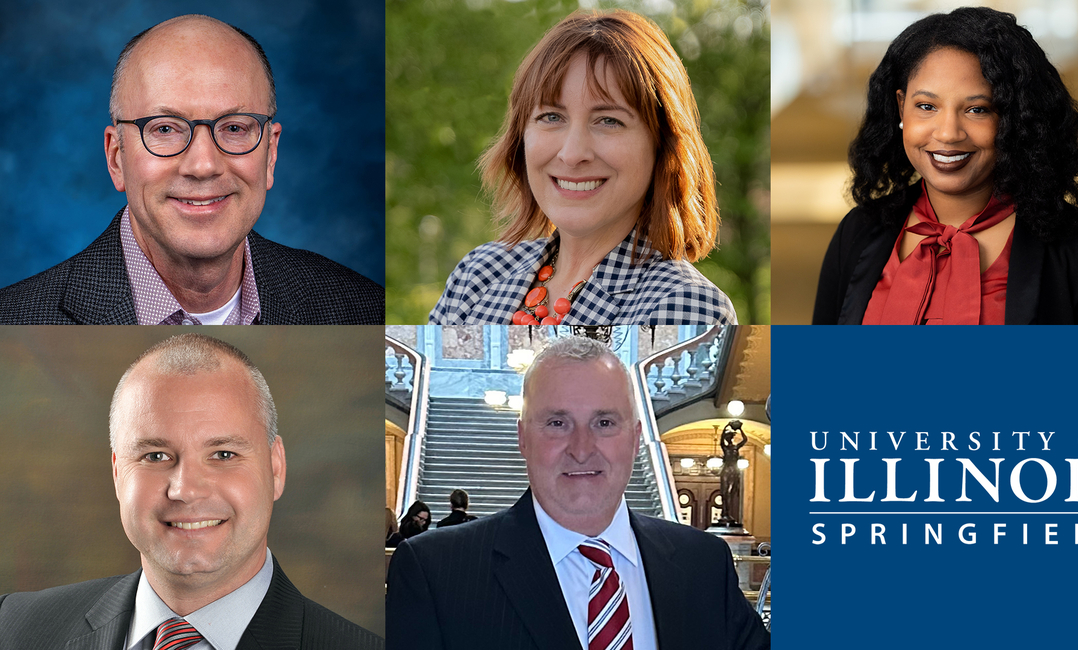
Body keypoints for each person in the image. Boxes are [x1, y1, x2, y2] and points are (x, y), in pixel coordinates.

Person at [0, 333, 383, 648]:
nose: (184, 490)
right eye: (155, 456)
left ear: (276, 467)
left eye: (223, 453)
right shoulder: (14, 628)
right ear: (118, 474)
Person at [386, 336, 768, 649]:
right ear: (522, 438)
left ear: (636, 439)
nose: (582, 448)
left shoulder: (703, 563)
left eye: (604, 422)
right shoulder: (435, 571)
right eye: (557, 422)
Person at [0, 15, 383, 325]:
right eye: (165, 129)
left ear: (270, 154)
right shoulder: (15, 323)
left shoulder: (362, 310)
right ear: (116, 157)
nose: (203, 165)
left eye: (234, 128)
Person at [813, 7, 1078, 325]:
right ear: (901, 108)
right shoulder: (858, 232)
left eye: (977, 109)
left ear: (1014, 119)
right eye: (926, 106)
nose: (948, 133)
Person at [429, 10, 736, 325]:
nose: (572, 154)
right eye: (551, 117)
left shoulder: (687, 307)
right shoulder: (477, 276)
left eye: (608, 120)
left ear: (662, 144)